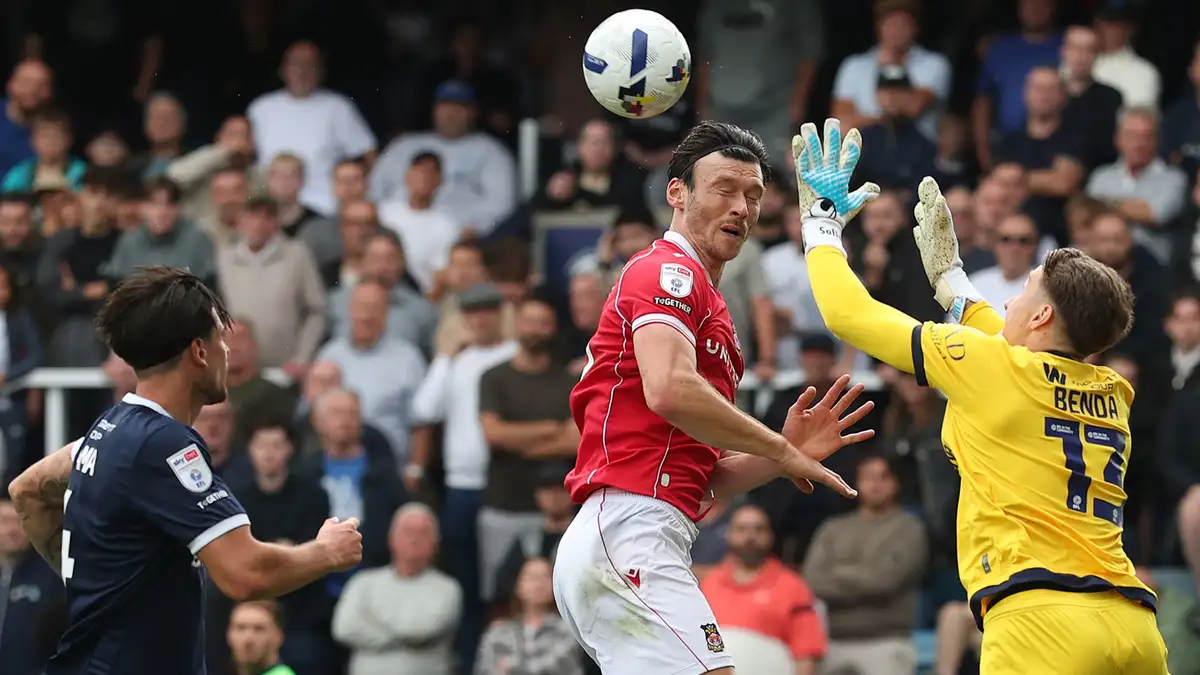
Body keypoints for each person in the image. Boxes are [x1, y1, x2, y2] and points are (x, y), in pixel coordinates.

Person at [791, 117, 1167, 674]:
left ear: (1040, 315)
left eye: (1022, 291)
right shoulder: (1113, 391)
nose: (1008, 300)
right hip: (1132, 623)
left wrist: (821, 226)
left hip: (1040, 621)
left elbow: (850, 314)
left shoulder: (991, 367)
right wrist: (951, 278)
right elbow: (1012, 340)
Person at [551, 121, 877, 675]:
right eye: (724, 189)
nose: (741, 208)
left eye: (753, 196)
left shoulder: (713, 307)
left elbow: (705, 475)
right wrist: (779, 446)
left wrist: (782, 453)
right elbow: (670, 390)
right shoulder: (667, 270)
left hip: (638, 533)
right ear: (677, 193)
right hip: (628, 531)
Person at [5, 266, 364, 675]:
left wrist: (89, 579)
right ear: (198, 352)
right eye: (220, 342)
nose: (227, 354)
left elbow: (26, 490)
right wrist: (327, 552)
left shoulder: (109, 429)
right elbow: (244, 574)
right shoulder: (163, 443)